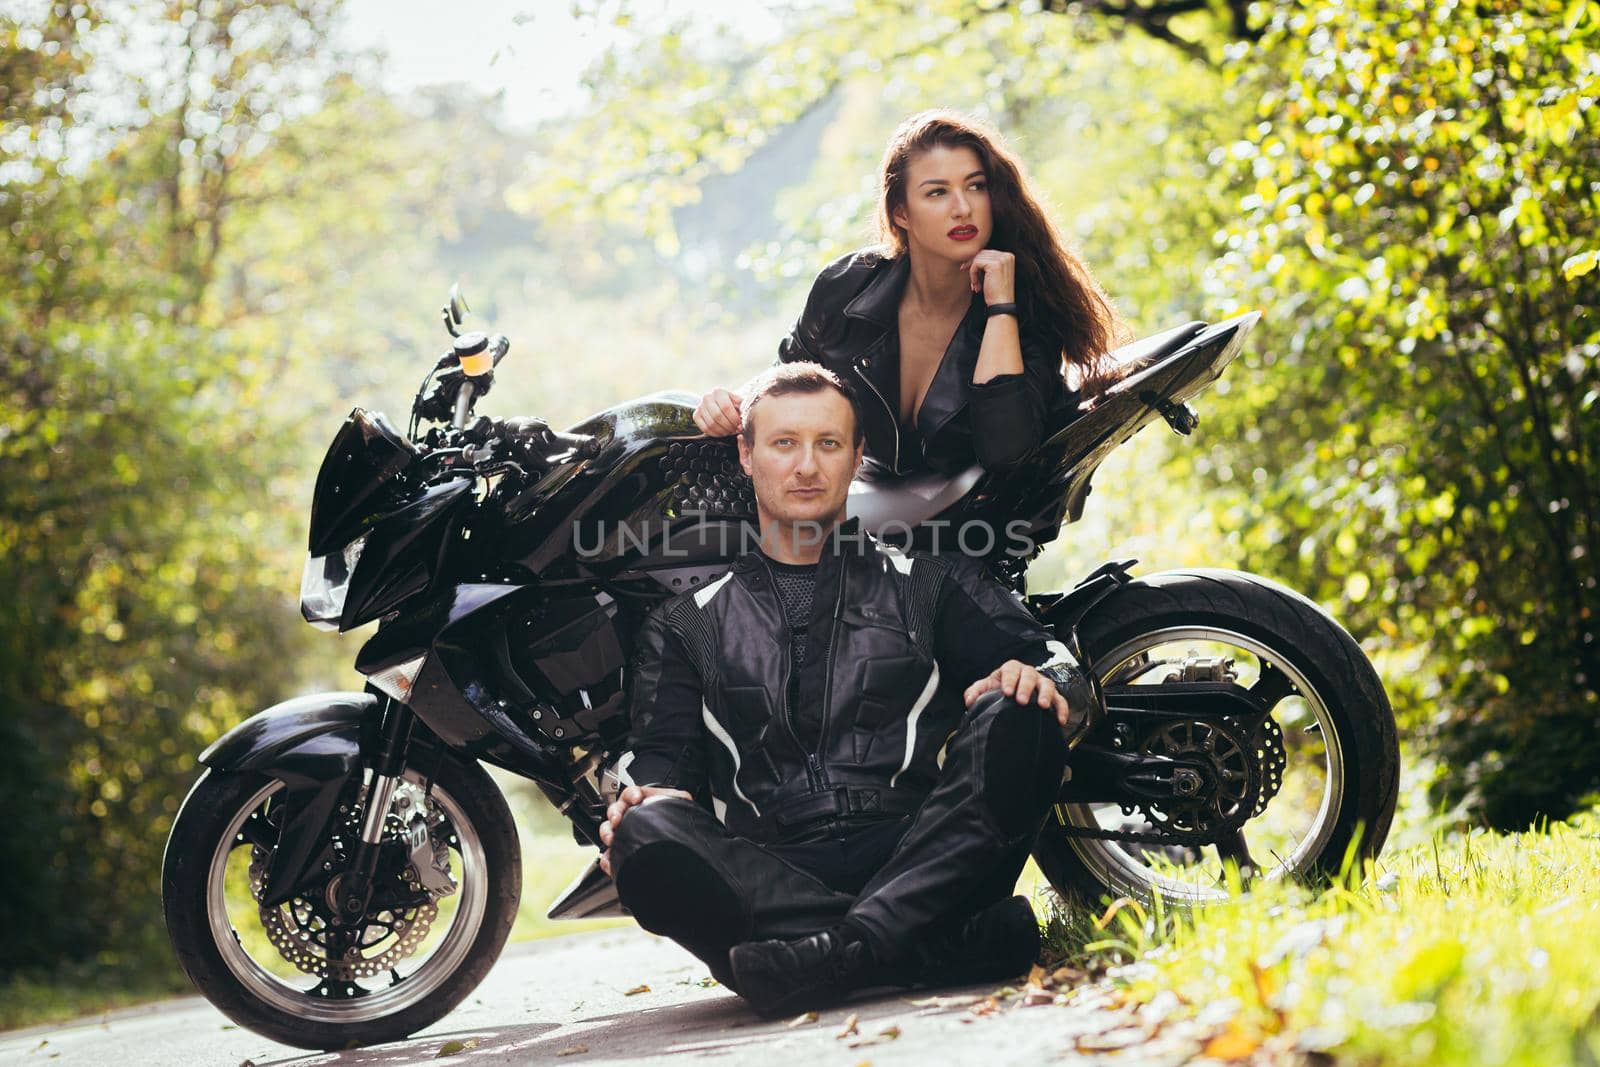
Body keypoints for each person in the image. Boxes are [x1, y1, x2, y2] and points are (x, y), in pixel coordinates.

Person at [599, 362, 1100, 1019]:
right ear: (747, 455)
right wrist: (639, 794)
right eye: (784, 443)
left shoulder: (931, 580)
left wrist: (1044, 678)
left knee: (1025, 709)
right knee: (638, 830)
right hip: (773, 877)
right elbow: (660, 759)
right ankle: (931, 947)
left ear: (856, 457)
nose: (806, 465)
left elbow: (1061, 669)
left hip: (926, 852)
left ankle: (836, 955)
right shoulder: (684, 622)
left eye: (828, 443)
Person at [694, 109, 1123, 476]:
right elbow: (784, 383)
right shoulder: (846, 287)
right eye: (937, 192)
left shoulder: (1026, 304)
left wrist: (1001, 309)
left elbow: (1006, 450)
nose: (963, 207)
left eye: (975, 186)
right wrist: (730, 403)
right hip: (862, 518)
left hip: (980, 531)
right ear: (901, 212)